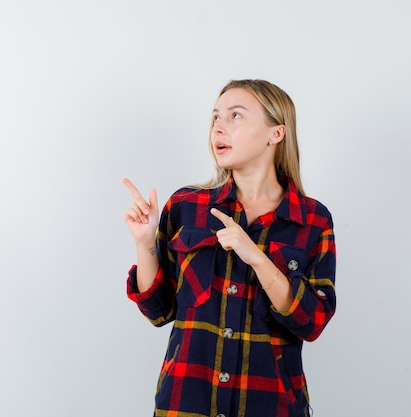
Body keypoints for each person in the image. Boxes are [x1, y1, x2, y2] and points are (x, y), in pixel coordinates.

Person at [123, 79, 336, 417]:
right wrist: (145, 241)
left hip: (271, 407)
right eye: (215, 118)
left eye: (236, 116)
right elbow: (158, 310)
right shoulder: (185, 207)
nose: (219, 127)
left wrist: (257, 257)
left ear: (275, 133)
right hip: (186, 404)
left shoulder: (312, 221)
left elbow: (312, 322)